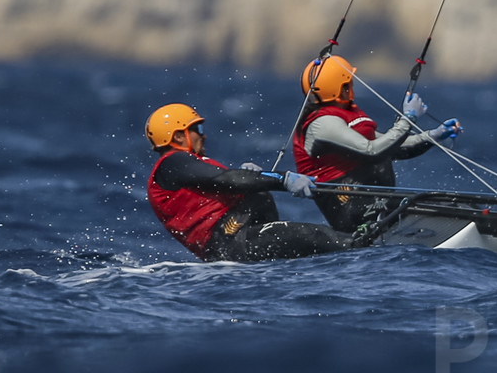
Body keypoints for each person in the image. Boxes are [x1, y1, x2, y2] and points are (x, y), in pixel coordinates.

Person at [145, 103, 353, 263]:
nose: (203, 135)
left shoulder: (181, 165)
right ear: (179, 136)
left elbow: (226, 184)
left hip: (235, 240)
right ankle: (359, 245)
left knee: (261, 196)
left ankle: (352, 239)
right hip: (229, 242)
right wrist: (283, 179)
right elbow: (224, 180)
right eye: (196, 128)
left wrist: (253, 181)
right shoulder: (173, 162)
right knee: (313, 235)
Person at [291, 55, 462, 233]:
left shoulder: (345, 113)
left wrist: (433, 135)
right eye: (349, 82)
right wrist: (409, 118)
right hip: (347, 209)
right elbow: (373, 151)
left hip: (373, 201)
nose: (353, 86)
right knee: (425, 204)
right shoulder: (323, 124)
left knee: (441, 202)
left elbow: (392, 147)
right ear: (341, 88)